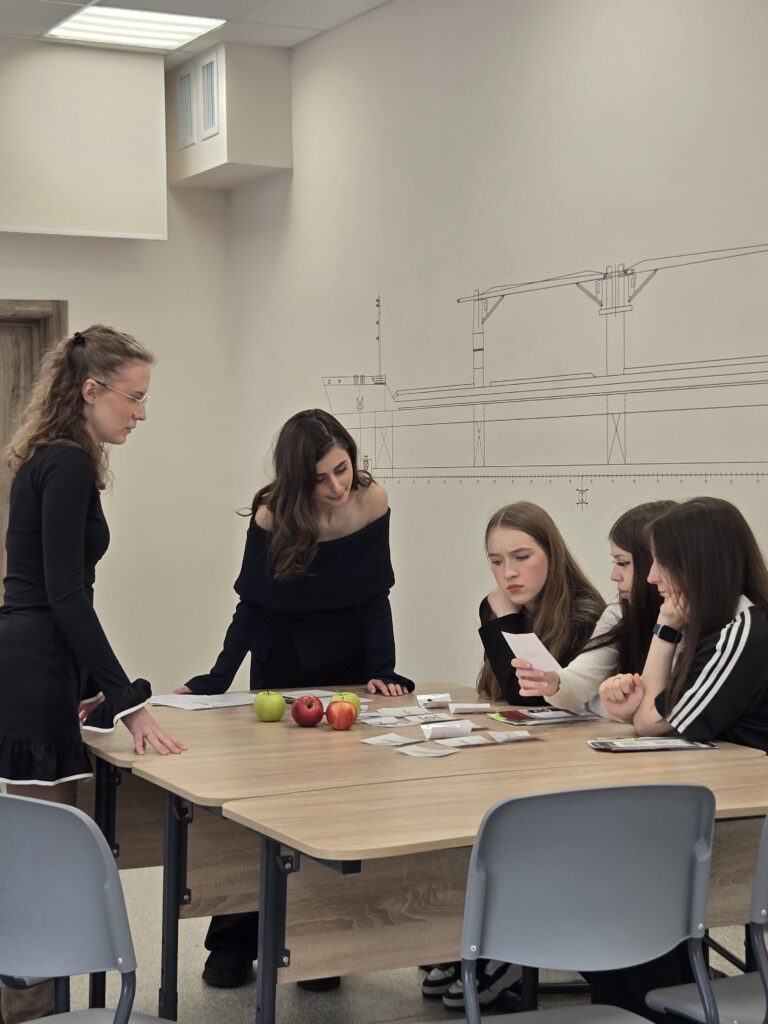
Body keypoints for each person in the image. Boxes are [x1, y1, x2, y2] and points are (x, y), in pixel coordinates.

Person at [175, 408, 412, 988]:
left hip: (348, 663)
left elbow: (375, 595)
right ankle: (232, 942)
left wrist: (383, 670)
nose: (336, 487)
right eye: (319, 479)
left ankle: (314, 944)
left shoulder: (373, 501)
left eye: (341, 469)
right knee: (265, 805)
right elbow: (252, 605)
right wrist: (217, 678)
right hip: (282, 662)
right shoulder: (272, 514)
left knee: (335, 811)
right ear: (295, 479)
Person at [0, 325, 184, 1024]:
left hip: (39, 667)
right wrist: (128, 700)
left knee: (40, 857)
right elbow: (64, 594)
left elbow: (51, 588)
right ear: (91, 390)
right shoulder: (69, 464)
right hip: (36, 666)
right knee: (45, 864)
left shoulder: (50, 458)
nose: (141, 413)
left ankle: (37, 1006)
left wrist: (89, 685)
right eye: (134, 398)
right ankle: (30, 1011)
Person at [424, 500, 605, 1012]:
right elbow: (504, 699)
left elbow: (531, 698)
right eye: (497, 561)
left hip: (575, 771)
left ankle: (506, 951)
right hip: (528, 757)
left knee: (511, 828)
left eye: (521, 558)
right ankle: (469, 939)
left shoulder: (585, 616)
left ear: (552, 553)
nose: (508, 574)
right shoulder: (504, 607)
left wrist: (504, 620)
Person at [600, 497, 768, 752]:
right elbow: (660, 720)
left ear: (700, 565)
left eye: (662, 562)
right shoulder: (718, 624)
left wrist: (666, 625)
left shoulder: (740, 635)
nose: (651, 577)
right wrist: (631, 712)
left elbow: (650, 723)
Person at [512, 501, 675, 714]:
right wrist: (555, 683)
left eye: (623, 563)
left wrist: (601, 703)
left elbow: (664, 711)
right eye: (495, 561)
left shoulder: (692, 622)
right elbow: (583, 677)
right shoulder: (619, 612)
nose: (614, 576)